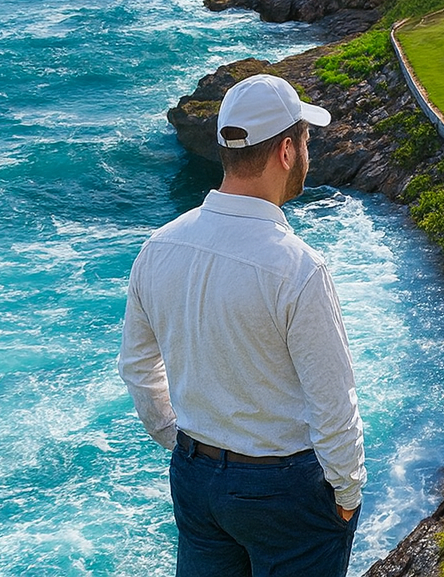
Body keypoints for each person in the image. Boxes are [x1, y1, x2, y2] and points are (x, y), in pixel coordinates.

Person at [119, 73, 366, 576]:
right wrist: (347, 490)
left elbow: (138, 369)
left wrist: (177, 439)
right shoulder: (299, 268)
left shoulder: (158, 246)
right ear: (286, 153)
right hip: (284, 489)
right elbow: (333, 402)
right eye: (305, 139)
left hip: (195, 475)